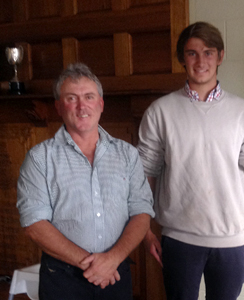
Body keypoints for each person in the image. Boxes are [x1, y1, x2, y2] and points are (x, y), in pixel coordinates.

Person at [138, 22, 244, 300]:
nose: (200, 61)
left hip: (232, 238)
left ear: (220, 56)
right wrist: (146, 229)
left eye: (208, 52)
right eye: (192, 53)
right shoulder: (160, 112)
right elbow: (145, 172)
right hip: (179, 239)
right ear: (182, 58)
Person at [16, 63, 155, 300]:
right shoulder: (40, 158)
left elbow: (141, 212)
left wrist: (111, 260)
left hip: (116, 273)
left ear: (100, 104)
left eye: (89, 97)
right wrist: (93, 265)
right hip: (62, 277)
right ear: (59, 107)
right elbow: (34, 223)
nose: (82, 106)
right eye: (72, 98)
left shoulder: (127, 154)